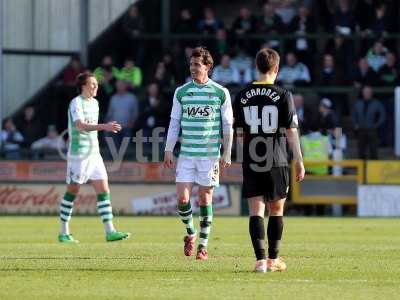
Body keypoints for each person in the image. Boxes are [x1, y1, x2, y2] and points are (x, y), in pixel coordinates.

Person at [233, 48, 305, 272]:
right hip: (277, 157)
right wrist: (299, 160)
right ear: (276, 68)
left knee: (256, 211)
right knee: (276, 210)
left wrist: (242, 157)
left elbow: (239, 134)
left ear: (256, 67)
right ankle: (274, 260)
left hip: (252, 157)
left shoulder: (242, 95)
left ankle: (260, 261)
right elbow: (291, 131)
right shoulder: (284, 95)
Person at [163, 47, 233, 260]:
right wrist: (168, 149)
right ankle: (191, 233)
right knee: (182, 199)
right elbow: (174, 123)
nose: (193, 68)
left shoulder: (221, 92)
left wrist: (227, 152)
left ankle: (203, 245)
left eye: (197, 65)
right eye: (191, 64)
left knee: (205, 199)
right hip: (186, 155)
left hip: (210, 155)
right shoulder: (181, 92)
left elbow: (228, 124)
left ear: (208, 67)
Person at [58, 71, 130, 243]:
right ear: (83, 86)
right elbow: (81, 126)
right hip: (78, 154)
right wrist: (105, 126)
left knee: (104, 190)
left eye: (96, 84)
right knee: (72, 191)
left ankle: (110, 231)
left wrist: (103, 128)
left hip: (94, 153)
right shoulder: (76, 103)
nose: (96, 86)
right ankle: (63, 232)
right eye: (92, 84)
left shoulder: (95, 103)